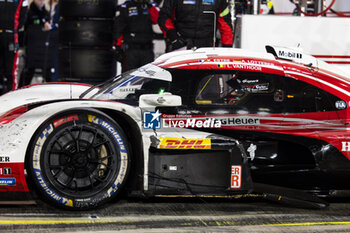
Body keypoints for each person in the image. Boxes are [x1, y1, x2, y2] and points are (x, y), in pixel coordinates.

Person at [158, 0, 233, 51]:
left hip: (207, 49)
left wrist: (227, 48)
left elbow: (226, 24)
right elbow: (164, 17)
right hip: (180, 46)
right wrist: (174, 38)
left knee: (206, 74)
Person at [114, 0, 159, 72]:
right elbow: (118, 29)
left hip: (147, 50)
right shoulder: (125, 6)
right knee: (129, 77)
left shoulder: (150, 5)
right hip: (131, 50)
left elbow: (157, 19)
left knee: (148, 79)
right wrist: (118, 47)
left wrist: (150, 5)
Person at [19, 0, 53, 87]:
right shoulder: (29, 13)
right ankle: (22, 88)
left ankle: (50, 88)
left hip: (44, 47)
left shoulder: (46, 13)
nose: (41, 2)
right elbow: (26, 28)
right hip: (31, 47)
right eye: (39, 0)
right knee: (29, 69)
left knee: (48, 69)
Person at [0, 0, 28, 95]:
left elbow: (22, 20)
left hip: (11, 35)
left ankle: (11, 97)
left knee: (11, 71)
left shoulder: (23, 1)